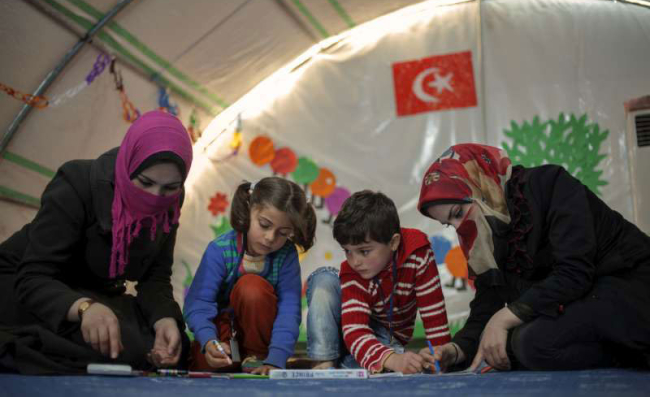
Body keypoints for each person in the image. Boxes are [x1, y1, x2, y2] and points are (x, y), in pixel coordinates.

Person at [417, 143, 650, 372]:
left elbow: (574, 272)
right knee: (506, 345)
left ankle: (633, 351)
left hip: (626, 283)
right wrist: (456, 350)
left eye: (458, 213)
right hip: (579, 302)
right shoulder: (486, 236)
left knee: (526, 342)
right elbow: (486, 304)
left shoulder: (550, 184)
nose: (459, 227)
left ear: (482, 185)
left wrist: (503, 318)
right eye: (450, 224)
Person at [0, 111, 193, 374]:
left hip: (95, 294)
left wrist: (164, 319)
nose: (155, 197)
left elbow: (155, 278)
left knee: (171, 346)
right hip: (27, 285)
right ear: (128, 165)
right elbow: (33, 276)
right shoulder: (77, 182)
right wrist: (84, 308)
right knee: (118, 349)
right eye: (145, 182)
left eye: (170, 188)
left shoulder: (172, 203)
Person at [306, 190, 451, 374]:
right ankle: (324, 362)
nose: (355, 261)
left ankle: (350, 363)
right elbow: (354, 330)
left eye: (364, 251)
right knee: (324, 279)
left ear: (394, 242)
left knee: (399, 364)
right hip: (352, 332)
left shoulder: (418, 253)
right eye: (347, 251)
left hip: (384, 338)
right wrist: (392, 360)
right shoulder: (353, 271)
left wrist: (440, 355)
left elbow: (433, 313)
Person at [184, 177, 316, 375]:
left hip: (262, 344)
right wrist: (209, 342)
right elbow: (199, 304)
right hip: (220, 336)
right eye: (264, 224)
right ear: (248, 210)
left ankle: (258, 358)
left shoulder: (287, 255)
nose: (270, 238)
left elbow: (289, 311)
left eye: (283, 233)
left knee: (252, 287)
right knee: (207, 367)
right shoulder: (219, 250)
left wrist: (276, 359)